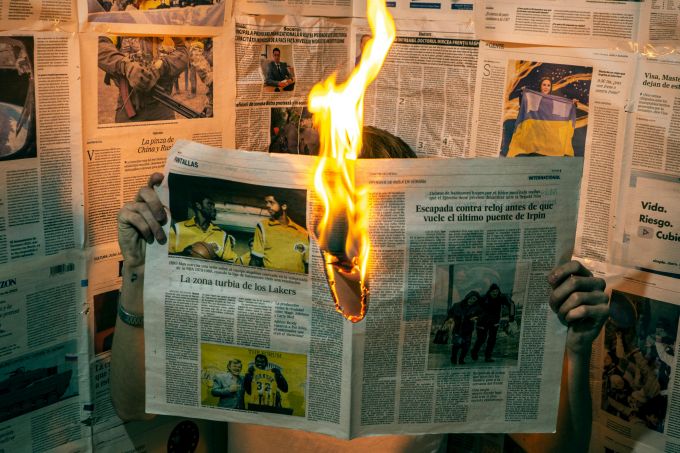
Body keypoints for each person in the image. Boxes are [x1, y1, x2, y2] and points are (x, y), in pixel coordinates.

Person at [113, 129, 609, 452]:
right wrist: (136, 274)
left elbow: (558, 450)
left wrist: (575, 351)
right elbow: (134, 407)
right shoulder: (249, 308)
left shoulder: (427, 326)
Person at [98, 36, 189, 123]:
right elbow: (99, 45)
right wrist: (125, 66)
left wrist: (164, 66)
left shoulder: (168, 27)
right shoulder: (120, 26)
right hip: (129, 104)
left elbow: (183, 52)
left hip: (163, 103)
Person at [168, 192, 238, 262]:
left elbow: (231, 262)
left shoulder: (223, 235)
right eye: (209, 204)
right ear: (198, 205)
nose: (214, 208)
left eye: (213, 205)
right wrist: (184, 254)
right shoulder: (177, 228)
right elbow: (164, 257)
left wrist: (213, 257)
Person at [249, 194, 309, 273]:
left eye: (271, 202)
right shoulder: (263, 226)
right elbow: (256, 260)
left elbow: (308, 264)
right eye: (266, 202)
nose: (267, 205)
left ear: (284, 206)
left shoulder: (303, 232)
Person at [471, 283, 516, 363]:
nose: (495, 293)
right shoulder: (483, 298)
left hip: (494, 321)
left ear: (498, 291)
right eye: (493, 292)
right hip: (482, 321)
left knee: (492, 339)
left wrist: (511, 317)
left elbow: (511, 304)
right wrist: (475, 316)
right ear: (490, 292)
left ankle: (488, 356)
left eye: (496, 291)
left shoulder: (501, 297)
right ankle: (474, 352)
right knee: (481, 339)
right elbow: (474, 306)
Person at [447, 291, 481, 365]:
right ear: (467, 297)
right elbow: (450, 313)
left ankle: (461, 359)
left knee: (466, 346)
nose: (472, 300)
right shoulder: (457, 305)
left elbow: (481, 315)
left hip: (468, 330)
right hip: (457, 329)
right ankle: (453, 358)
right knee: (456, 345)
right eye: (471, 298)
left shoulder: (477, 308)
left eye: (474, 299)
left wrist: (477, 318)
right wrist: (450, 318)